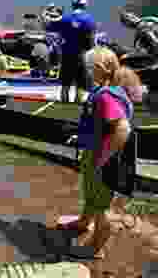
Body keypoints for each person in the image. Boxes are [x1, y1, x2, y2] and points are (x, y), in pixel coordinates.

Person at [57, 46, 143, 259]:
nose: (84, 70)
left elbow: (122, 129)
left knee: (102, 205)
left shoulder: (106, 96)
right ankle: (84, 222)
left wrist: (103, 159)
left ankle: (95, 248)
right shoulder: (103, 91)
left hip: (105, 160)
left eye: (87, 66)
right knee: (91, 194)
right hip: (95, 153)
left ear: (97, 68)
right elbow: (100, 124)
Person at [45, 0, 96, 103]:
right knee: (80, 85)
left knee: (65, 85)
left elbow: (48, 26)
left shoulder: (65, 18)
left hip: (66, 55)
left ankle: (64, 105)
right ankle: (77, 106)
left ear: (72, 5)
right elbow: (91, 43)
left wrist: (46, 12)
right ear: (85, 5)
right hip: (81, 55)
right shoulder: (89, 20)